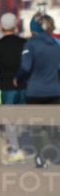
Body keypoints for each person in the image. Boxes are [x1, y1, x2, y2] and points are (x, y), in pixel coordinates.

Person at [15, 13, 60, 169]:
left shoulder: (30, 44)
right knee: (55, 124)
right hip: (55, 91)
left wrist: (18, 78)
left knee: (36, 127)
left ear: (33, 28)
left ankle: (41, 158)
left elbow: (25, 67)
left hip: (35, 92)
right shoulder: (56, 44)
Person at [0, 13, 27, 163]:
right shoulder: (25, 43)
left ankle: (15, 149)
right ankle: (28, 145)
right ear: (15, 27)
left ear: (1, 28)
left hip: (6, 87)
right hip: (24, 86)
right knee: (25, 117)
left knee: (9, 119)